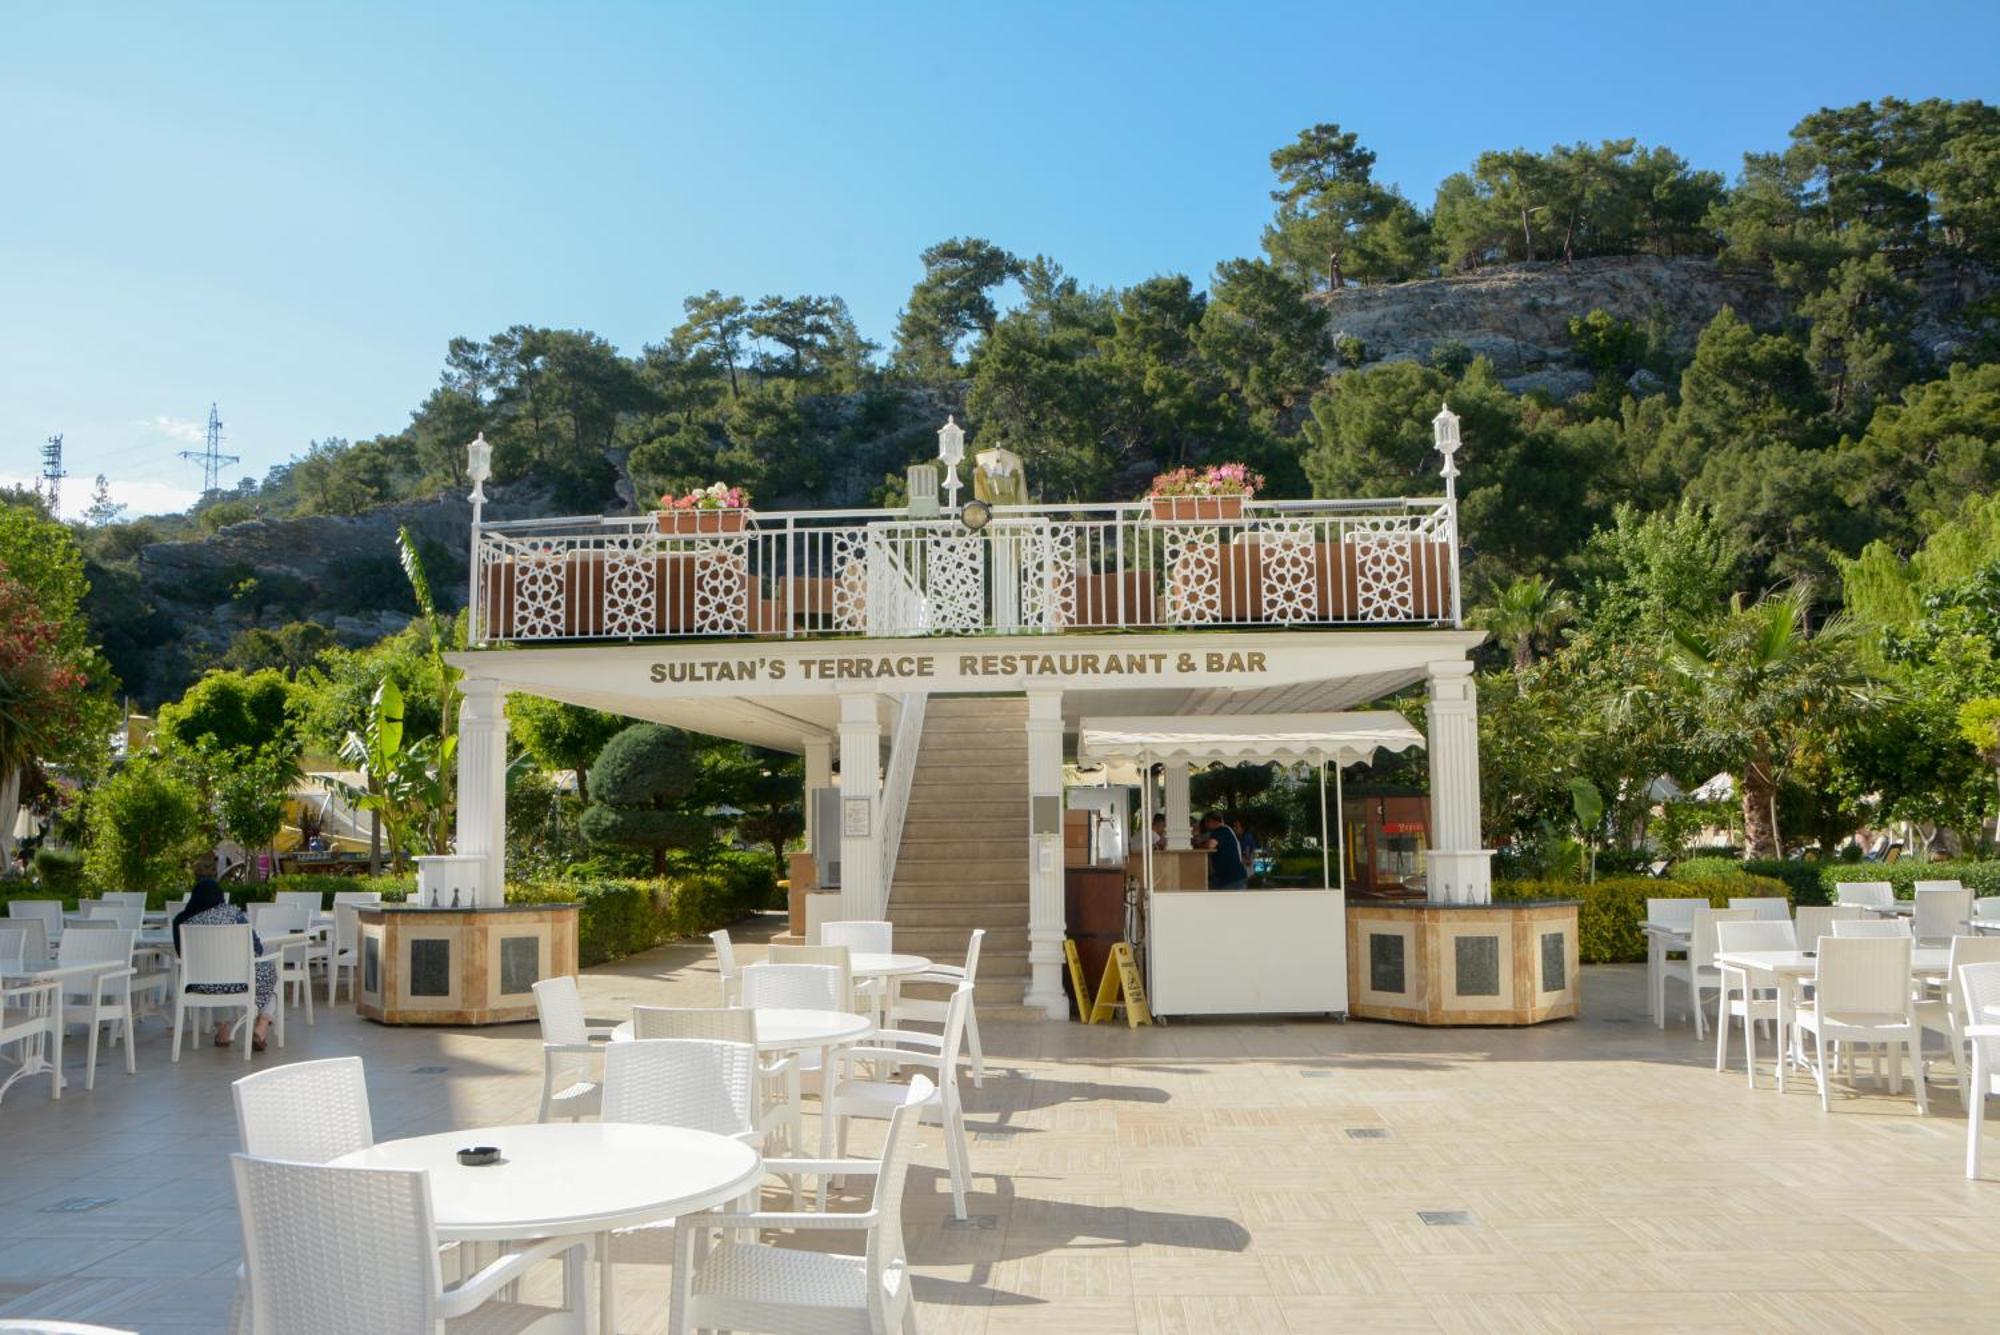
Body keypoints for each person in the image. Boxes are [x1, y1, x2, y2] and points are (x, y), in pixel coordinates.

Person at [172, 875, 277, 1050]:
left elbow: (181, 954)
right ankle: (263, 1024)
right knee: (269, 970)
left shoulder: (181, 921)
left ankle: (223, 1032)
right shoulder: (233, 915)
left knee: (214, 973)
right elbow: (256, 948)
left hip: (199, 985)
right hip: (239, 982)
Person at [1196, 812, 1248, 890]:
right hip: (1228, 878)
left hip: (1232, 879)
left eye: (1207, 822)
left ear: (1213, 822)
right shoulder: (1224, 831)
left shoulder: (1221, 831)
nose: (1205, 825)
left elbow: (1210, 845)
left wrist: (1198, 845)